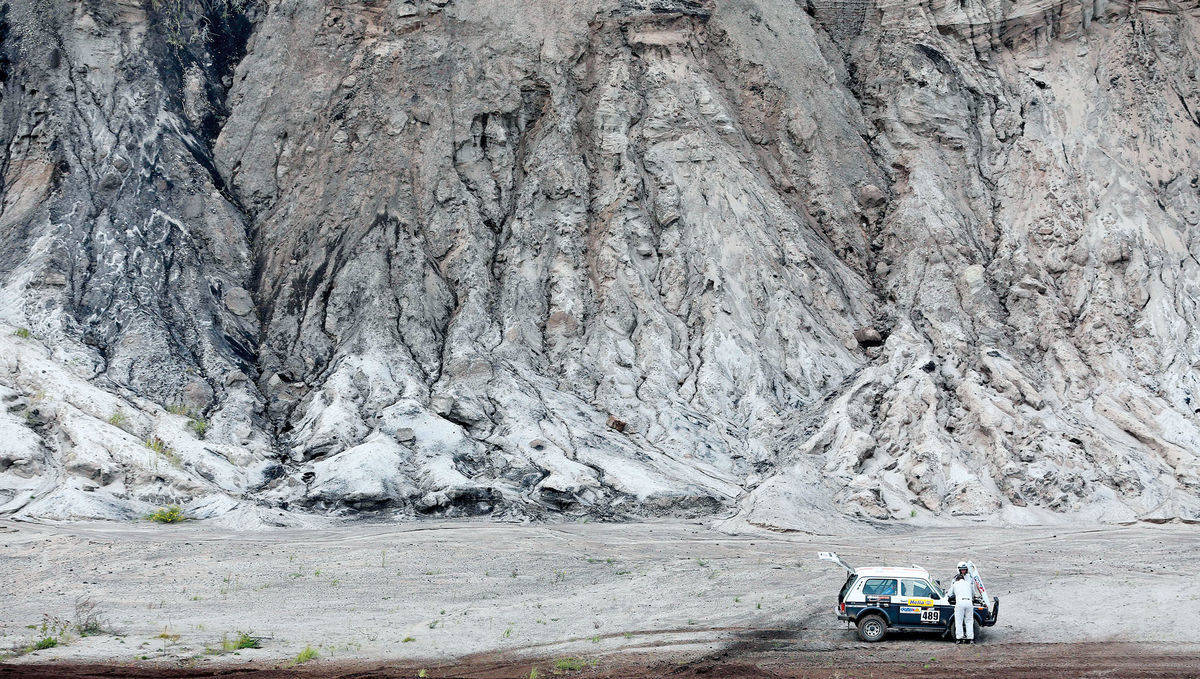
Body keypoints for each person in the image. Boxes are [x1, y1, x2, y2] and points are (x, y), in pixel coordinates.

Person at [947, 562, 975, 644]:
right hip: (969, 602)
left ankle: (959, 638)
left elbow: (949, 594)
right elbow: (973, 593)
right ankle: (971, 639)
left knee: (958, 621)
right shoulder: (968, 583)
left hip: (960, 602)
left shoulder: (955, 583)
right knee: (969, 621)